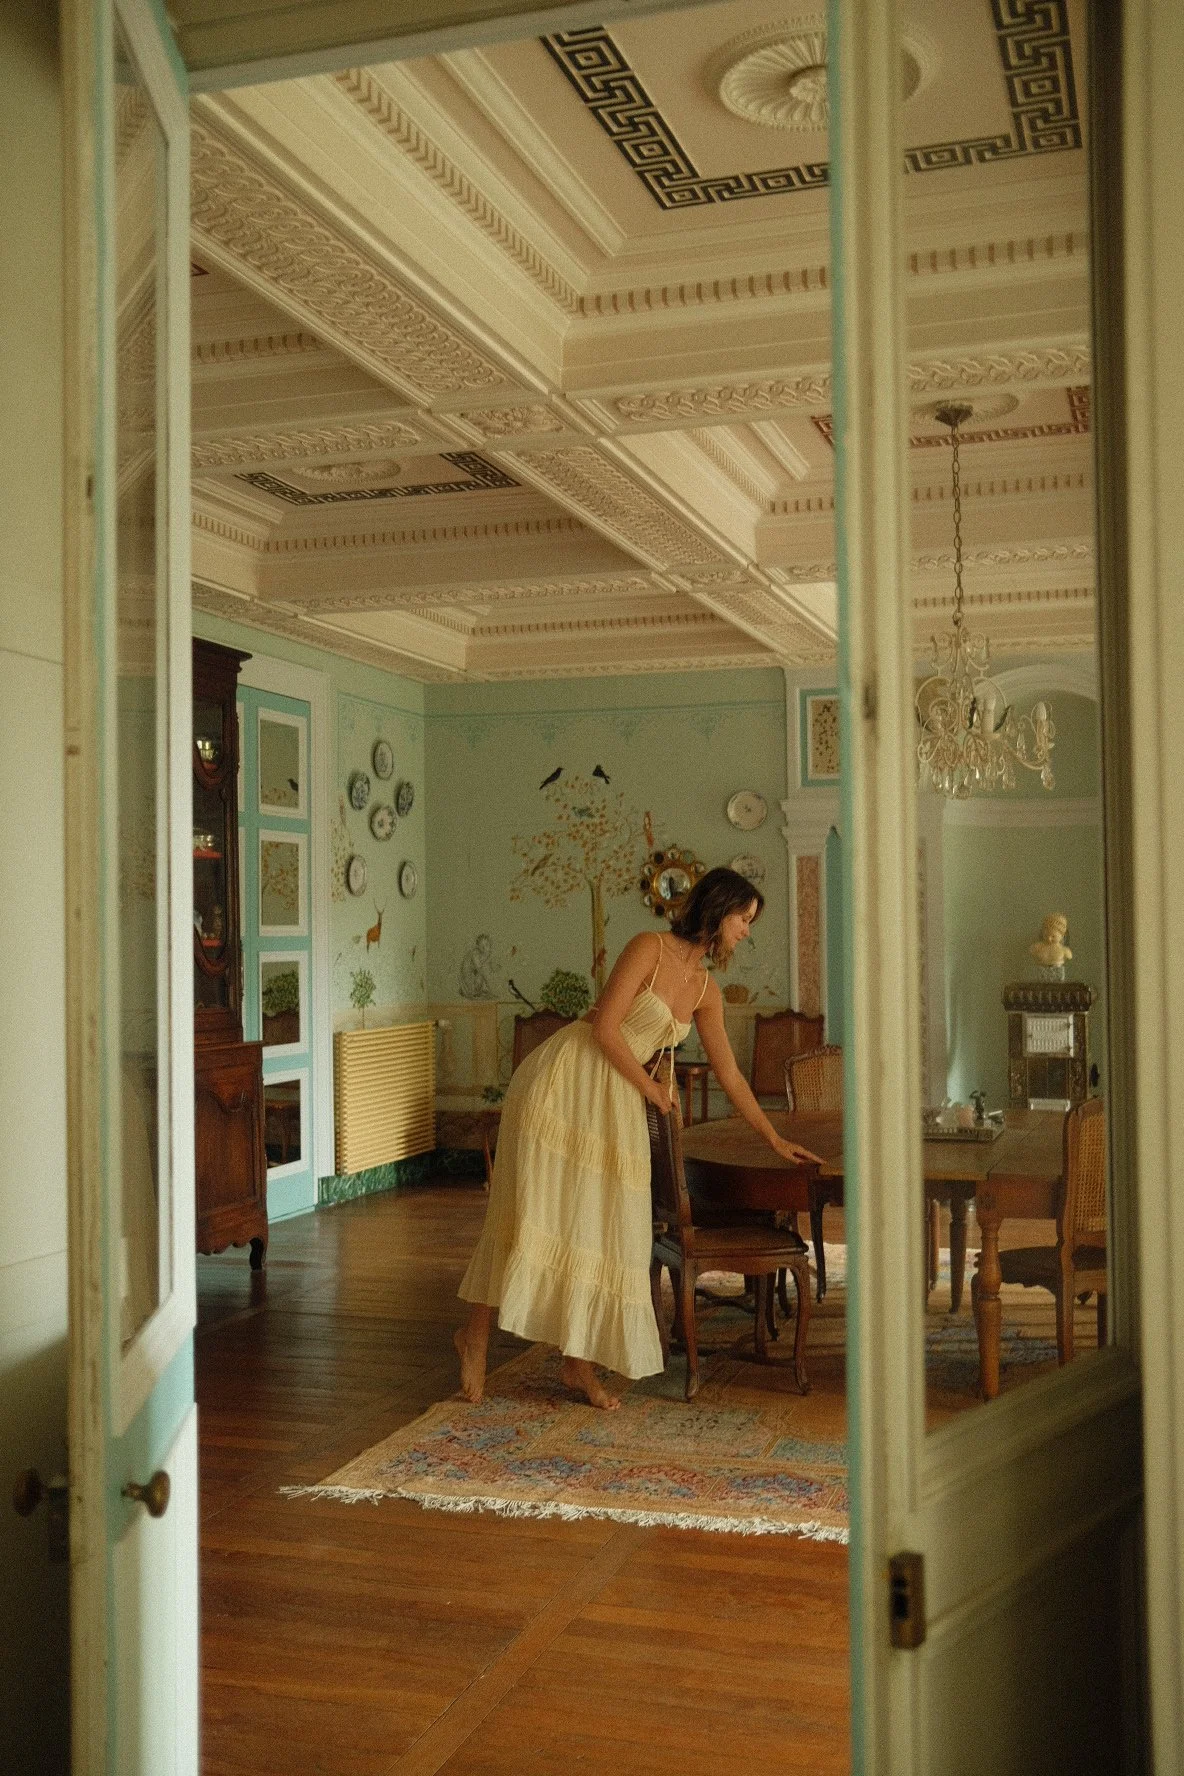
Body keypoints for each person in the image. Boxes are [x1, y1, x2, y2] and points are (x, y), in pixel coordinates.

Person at [453, 867, 821, 1410]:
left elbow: (730, 1074)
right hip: (566, 1082)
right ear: (719, 910)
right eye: (744, 919)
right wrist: (651, 1087)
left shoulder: (706, 991)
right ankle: (475, 1336)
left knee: (601, 1228)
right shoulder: (649, 947)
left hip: (616, 1100)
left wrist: (773, 1137)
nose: (746, 931)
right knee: (526, 1212)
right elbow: (605, 1027)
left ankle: (577, 1363)